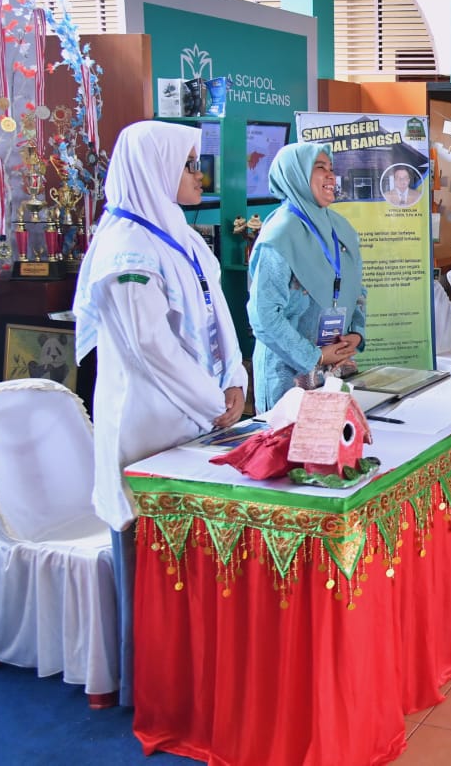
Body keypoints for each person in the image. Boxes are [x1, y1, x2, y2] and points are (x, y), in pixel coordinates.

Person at [73, 120, 249, 705]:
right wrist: (211, 399)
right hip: (148, 425)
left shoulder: (181, 232)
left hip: (200, 416)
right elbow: (150, 348)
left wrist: (236, 380)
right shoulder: (124, 247)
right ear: (153, 170)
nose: (198, 175)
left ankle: (196, 673)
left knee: (191, 553)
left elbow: (220, 314)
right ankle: (149, 684)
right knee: (148, 552)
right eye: (187, 164)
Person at [247, 143, 366, 411]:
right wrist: (314, 356)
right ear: (295, 175)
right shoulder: (279, 236)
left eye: (332, 169)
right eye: (319, 167)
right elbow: (263, 317)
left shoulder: (340, 228)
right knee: (287, 449)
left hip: (333, 370)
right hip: (287, 377)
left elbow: (358, 289)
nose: (331, 176)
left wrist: (356, 335)